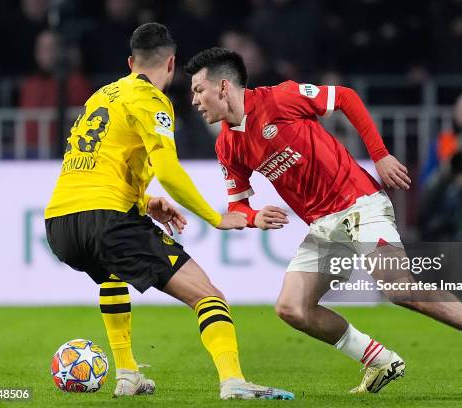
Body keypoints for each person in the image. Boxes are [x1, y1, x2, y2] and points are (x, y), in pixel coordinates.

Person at [184, 47, 462, 394]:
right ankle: (378, 359)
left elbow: (347, 98)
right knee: (292, 308)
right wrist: (253, 216)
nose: (195, 100)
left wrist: (379, 156)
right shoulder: (228, 146)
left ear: (224, 86)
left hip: (358, 203)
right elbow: (238, 206)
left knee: (398, 287)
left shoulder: (282, 97)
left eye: (199, 89)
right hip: (323, 226)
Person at [44, 24, 293, 400]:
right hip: (108, 219)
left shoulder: (100, 97)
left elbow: (95, 165)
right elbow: (169, 170)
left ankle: (127, 374)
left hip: (60, 224)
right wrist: (216, 217)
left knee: (111, 275)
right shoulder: (152, 99)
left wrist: (144, 202)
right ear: (172, 64)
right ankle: (233, 382)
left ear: (131, 62)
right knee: (209, 296)